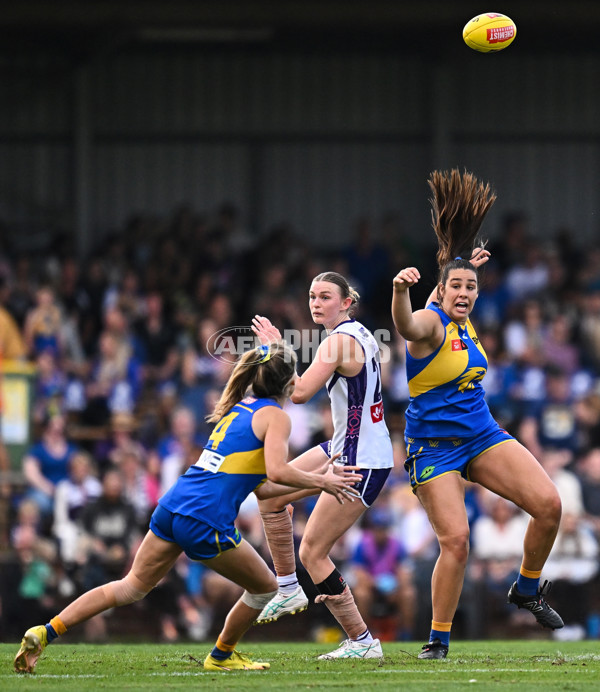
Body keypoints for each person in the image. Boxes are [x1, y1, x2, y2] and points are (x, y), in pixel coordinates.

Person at [14, 340, 361, 674]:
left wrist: (319, 472)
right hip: (205, 519)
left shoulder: (238, 409)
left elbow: (261, 484)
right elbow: (277, 471)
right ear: (289, 381)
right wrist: (323, 481)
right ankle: (222, 654)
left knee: (130, 587)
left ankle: (46, 632)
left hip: (173, 506)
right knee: (266, 589)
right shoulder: (276, 417)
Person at [391, 169, 563, 659]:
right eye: (456, 286)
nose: (463, 292)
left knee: (549, 506)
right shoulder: (427, 321)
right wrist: (401, 291)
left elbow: (456, 276)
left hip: (482, 435)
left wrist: (462, 262)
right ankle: (437, 641)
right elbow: (405, 323)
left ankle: (527, 589)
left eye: (471, 286)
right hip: (435, 449)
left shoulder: (464, 323)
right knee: (458, 540)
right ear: (440, 293)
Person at [251, 270, 394, 660]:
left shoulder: (338, 343)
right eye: (313, 296)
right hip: (344, 447)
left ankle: (362, 642)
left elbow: (297, 393)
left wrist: (278, 349)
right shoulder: (360, 333)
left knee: (313, 551)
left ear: (346, 302)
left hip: (359, 459)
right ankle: (287, 587)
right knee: (267, 491)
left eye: (326, 296)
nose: (316, 302)